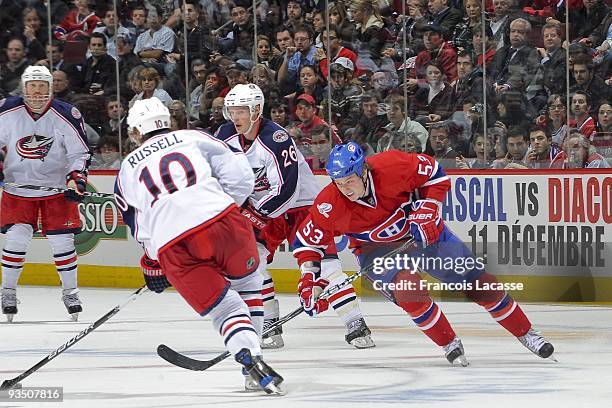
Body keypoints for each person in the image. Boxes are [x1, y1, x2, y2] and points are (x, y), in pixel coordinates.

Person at [292, 142, 556, 365]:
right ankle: (448, 341)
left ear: (363, 171)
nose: (345, 189)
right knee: (410, 292)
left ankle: (527, 333)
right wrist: (308, 280)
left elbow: (435, 173)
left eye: (349, 180)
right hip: (377, 251)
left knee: (480, 284)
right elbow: (307, 242)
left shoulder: (393, 166)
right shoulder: (330, 204)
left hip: (426, 234)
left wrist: (429, 207)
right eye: (338, 183)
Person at [114, 97, 283, 394]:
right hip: (222, 219)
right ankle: (254, 363)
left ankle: (248, 358)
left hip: (172, 244)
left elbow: (139, 225)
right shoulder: (194, 137)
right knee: (248, 288)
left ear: (136, 132)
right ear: (168, 122)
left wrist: (153, 263)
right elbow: (240, 174)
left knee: (225, 310)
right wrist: (224, 205)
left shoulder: (127, 167)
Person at [216, 84, 373, 350]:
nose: (235, 117)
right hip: (262, 207)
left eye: (241, 111)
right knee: (249, 262)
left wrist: (253, 213)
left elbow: (286, 190)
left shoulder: (276, 139)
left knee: (323, 266)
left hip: (301, 206)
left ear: (256, 111)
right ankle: (270, 325)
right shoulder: (225, 135)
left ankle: (356, 324)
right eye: (231, 111)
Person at [0, 66, 91, 322]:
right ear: (24, 87)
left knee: (62, 241)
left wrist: (77, 180)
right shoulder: (7, 110)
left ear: (50, 87)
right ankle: (7, 292)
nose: (37, 91)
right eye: (33, 86)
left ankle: (70, 293)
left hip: (56, 190)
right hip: (17, 188)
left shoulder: (66, 114)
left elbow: (79, 154)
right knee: (17, 239)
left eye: (42, 85)